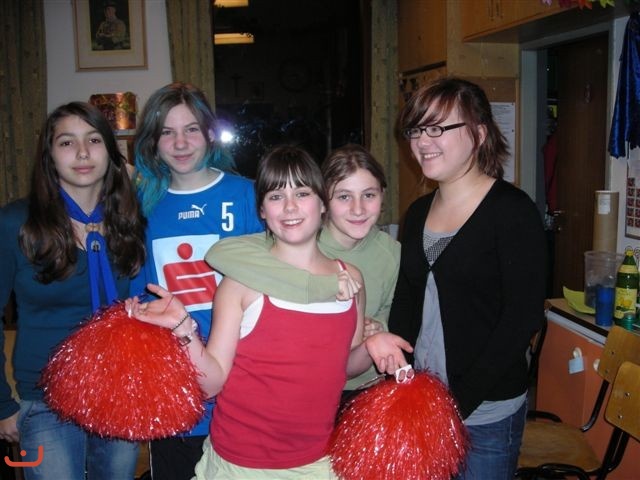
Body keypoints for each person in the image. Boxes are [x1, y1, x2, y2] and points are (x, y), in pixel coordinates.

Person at [126, 145, 412, 479]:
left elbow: (345, 366)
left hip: (318, 459)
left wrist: (371, 346)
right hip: (240, 464)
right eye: (276, 196)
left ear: (322, 203)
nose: (290, 207)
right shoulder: (239, 283)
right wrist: (182, 327)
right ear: (262, 209)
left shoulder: (350, 280)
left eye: (302, 193)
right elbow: (212, 384)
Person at [387, 77, 546, 480]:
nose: (423, 141)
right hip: (423, 400)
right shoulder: (417, 213)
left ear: (479, 133)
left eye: (437, 128)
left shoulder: (511, 211)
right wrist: (400, 377)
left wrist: (456, 405)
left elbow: (520, 319)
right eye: (416, 130)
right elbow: (407, 300)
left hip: (485, 412)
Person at [0, 102, 146, 479]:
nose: (82, 153)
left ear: (111, 152)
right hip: (44, 398)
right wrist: (2, 404)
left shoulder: (130, 220)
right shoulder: (16, 222)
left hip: (117, 393)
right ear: (49, 156)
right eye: (67, 142)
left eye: (94, 140)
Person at [131, 81, 264, 480]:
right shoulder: (139, 207)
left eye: (191, 129)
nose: (180, 143)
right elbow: (137, 297)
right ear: (152, 143)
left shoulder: (248, 196)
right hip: (174, 392)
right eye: (167, 132)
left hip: (244, 389)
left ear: (209, 134)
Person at [206, 144, 401, 397]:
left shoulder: (391, 252)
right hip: (293, 389)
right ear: (325, 200)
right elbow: (221, 253)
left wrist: (377, 327)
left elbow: (390, 309)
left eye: (369, 195)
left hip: (361, 383)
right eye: (344, 197)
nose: (358, 209)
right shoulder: (299, 237)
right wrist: (322, 286)